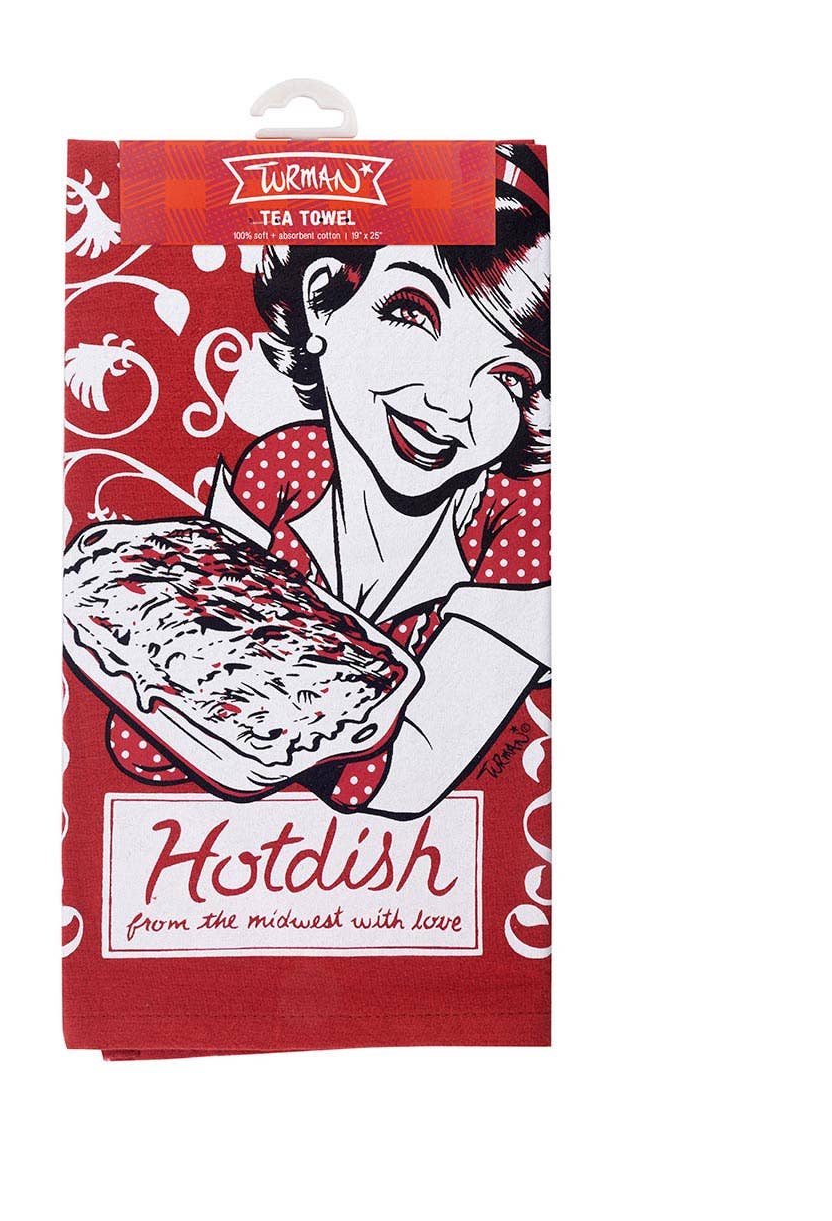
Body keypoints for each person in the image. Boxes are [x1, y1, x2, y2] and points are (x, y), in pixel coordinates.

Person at [108, 143, 552, 818]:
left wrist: (241, 721)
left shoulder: (521, 523)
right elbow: (154, 718)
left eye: (507, 376)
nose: (452, 403)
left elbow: (411, 771)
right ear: (322, 304)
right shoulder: (283, 468)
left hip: (410, 874)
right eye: (413, 315)